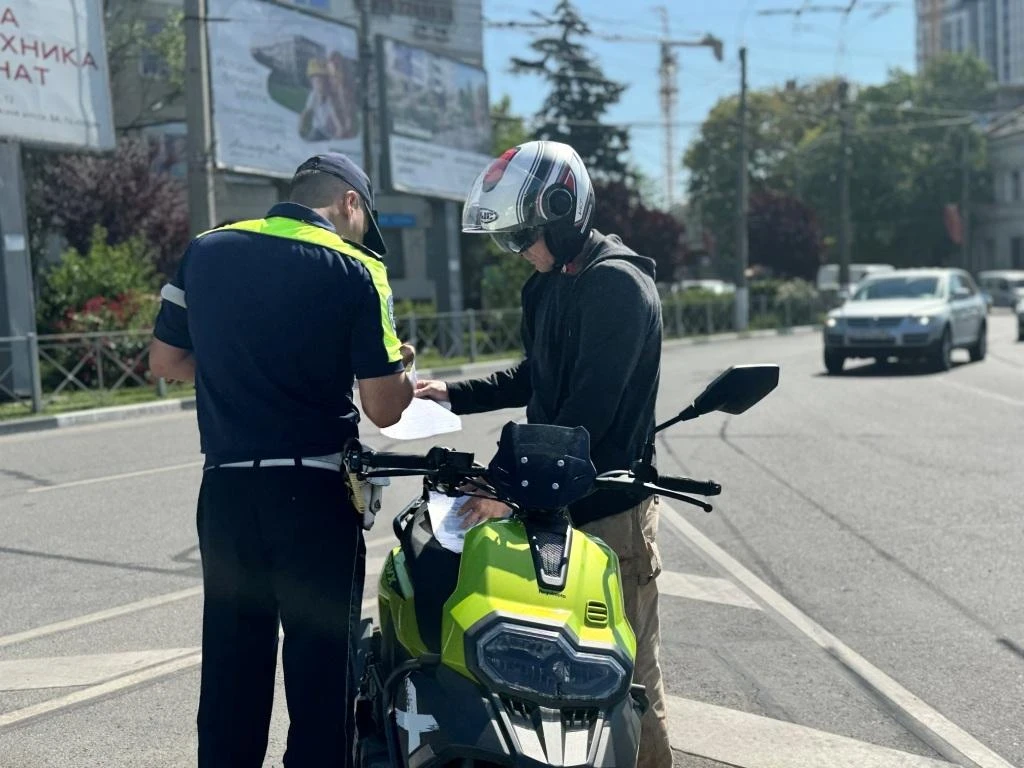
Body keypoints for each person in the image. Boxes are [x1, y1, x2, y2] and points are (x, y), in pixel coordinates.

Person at [148, 152, 414, 768]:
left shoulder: (207, 248)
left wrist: (238, 377)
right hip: (316, 496)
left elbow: (165, 362)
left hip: (227, 496)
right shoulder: (358, 268)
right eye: (361, 218)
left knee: (232, 670)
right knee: (322, 676)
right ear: (351, 203)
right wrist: (401, 364)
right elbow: (384, 408)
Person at [415, 140, 672, 768]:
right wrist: (450, 393)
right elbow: (537, 377)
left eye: (525, 234)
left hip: (609, 508)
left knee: (625, 681)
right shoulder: (548, 285)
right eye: (509, 239)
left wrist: (503, 487)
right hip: (549, 502)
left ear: (564, 211)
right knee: (546, 672)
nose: (518, 250)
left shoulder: (617, 287)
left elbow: (588, 411)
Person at [299, 58, 342, 141]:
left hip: (332, 134)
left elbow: (336, 118)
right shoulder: (314, 95)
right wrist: (302, 124)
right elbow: (307, 111)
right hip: (319, 130)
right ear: (312, 82)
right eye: (317, 81)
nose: (321, 85)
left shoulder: (333, 98)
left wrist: (338, 129)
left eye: (324, 81)